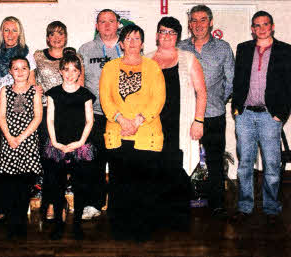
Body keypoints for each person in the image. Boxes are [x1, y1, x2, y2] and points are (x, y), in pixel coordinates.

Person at [99, 24, 165, 242]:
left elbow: (158, 99)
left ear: (143, 43)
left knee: (144, 183)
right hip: (118, 132)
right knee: (120, 182)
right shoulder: (110, 67)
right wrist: (121, 119)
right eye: (128, 38)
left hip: (146, 133)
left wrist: (138, 120)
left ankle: (143, 228)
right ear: (121, 43)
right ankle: (119, 228)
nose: (133, 42)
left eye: (137, 38)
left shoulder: (153, 67)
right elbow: (105, 98)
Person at [231, 11, 291, 225]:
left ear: (272, 26)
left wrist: (280, 115)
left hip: (269, 116)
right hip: (245, 115)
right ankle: (245, 207)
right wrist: (236, 109)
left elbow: (289, 86)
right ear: (252, 28)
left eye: (265, 24)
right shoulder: (243, 49)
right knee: (244, 164)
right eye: (257, 25)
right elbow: (237, 80)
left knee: (272, 165)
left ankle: (271, 209)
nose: (261, 28)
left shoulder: (286, 51)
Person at [146, 16, 207, 228]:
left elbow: (201, 92)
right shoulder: (146, 59)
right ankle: (157, 213)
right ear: (156, 35)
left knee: (178, 167)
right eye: (163, 31)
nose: (167, 36)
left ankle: (178, 216)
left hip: (180, 124)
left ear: (177, 36)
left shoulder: (188, 59)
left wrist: (198, 121)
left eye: (172, 32)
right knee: (155, 167)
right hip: (152, 127)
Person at [178, 4, 235, 219]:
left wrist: (219, 98)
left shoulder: (223, 48)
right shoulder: (180, 47)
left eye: (203, 20)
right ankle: (181, 201)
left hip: (214, 113)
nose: (198, 24)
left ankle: (217, 204)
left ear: (211, 22)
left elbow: (231, 80)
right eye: (194, 20)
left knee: (214, 160)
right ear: (189, 24)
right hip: (185, 115)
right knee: (182, 158)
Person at [0, 16, 36, 222]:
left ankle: (18, 208)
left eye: (14, 30)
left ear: (20, 33)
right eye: (6, 30)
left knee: (17, 167)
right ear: (1, 33)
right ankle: (1, 208)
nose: (10, 35)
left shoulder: (26, 54)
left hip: (15, 118)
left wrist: (17, 118)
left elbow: (29, 88)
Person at [33, 21, 84, 221]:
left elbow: (80, 88)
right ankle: (53, 204)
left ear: (66, 36)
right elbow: (32, 83)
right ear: (47, 37)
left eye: (60, 33)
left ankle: (64, 202)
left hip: (69, 115)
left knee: (67, 164)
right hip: (46, 114)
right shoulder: (38, 56)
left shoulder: (75, 58)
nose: (56, 37)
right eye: (52, 34)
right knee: (51, 164)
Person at [44, 48, 95, 240]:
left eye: (75, 70)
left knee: (80, 186)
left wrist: (80, 142)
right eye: (66, 69)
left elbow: (90, 121)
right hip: (57, 146)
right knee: (56, 186)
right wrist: (55, 142)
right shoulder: (53, 94)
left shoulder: (85, 94)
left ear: (79, 72)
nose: (70, 74)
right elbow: (49, 120)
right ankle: (58, 222)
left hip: (80, 147)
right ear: (60, 71)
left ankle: (77, 224)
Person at [78, 8, 123, 220]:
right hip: (94, 115)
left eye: (111, 21)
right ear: (96, 26)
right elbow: (80, 81)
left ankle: (118, 205)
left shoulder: (127, 48)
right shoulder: (86, 49)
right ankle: (93, 204)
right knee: (93, 162)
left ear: (118, 24)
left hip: (122, 117)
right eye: (102, 22)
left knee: (119, 162)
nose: (106, 25)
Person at [0, 56, 43, 239]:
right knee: (10, 184)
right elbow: (1, 116)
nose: (20, 71)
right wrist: (10, 137)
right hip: (9, 141)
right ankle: (11, 221)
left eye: (24, 68)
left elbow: (38, 117)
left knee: (25, 185)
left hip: (28, 141)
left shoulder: (34, 91)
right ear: (10, 71)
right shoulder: (5, 90)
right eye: (16, 68)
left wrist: (21, 137)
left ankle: (21, 221)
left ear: (29, 70)